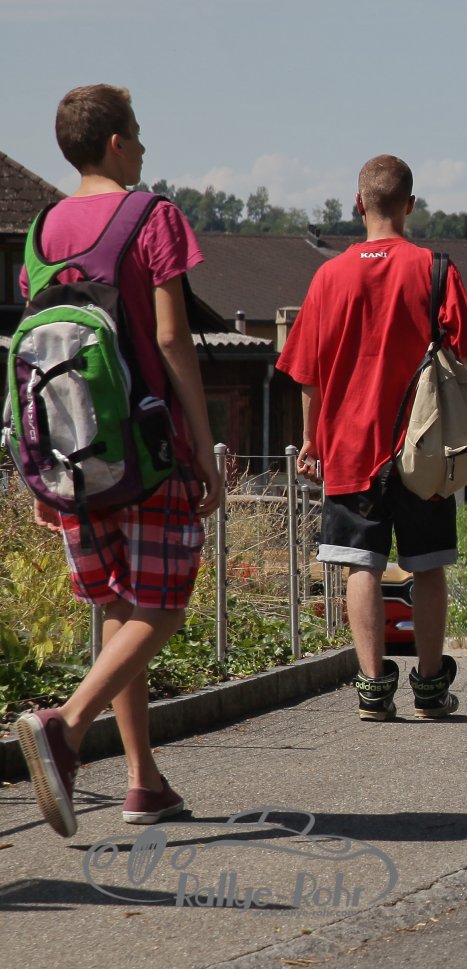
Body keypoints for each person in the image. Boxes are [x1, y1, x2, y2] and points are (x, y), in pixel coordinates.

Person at [15, 85, 223, 838]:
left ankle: (143, 781)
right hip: (149, 444)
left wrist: (35, 469)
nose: (142, 147)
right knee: (162, 604)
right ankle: (66, 727)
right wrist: (202, 446)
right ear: (114, 142)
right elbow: (171, 339)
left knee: (117, 607)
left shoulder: (39, 232)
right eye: (137, 134)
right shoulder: (152, 216)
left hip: (72, 454)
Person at [276, 155, 467, 722]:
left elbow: (307, 374)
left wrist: (312, 442)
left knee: (360, 565)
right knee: (428, 565)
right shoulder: (434, 269)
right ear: (410, 205)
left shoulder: (329, 277)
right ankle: (431, 687)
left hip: (349, 448)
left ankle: (372, 688)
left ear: (359, 203)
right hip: (424, 449)